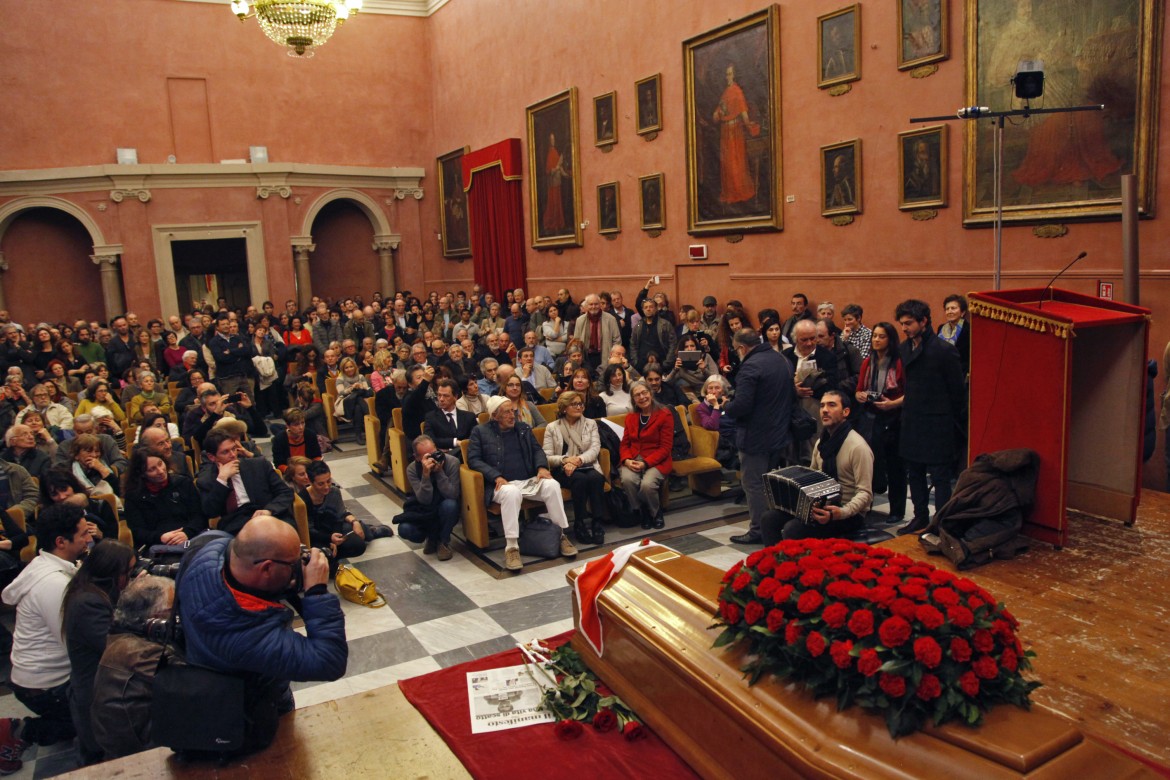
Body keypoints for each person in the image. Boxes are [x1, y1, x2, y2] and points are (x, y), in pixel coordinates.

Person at [177, 515, 348, 736]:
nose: (299, 566)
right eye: (293, 562)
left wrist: (282, 579)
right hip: (251, 712)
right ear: (266, 569)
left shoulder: (211, 547)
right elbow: (329, 661)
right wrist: (316, 592)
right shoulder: (242, 635)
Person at [0, 503, 93, 772]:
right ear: (61, 541)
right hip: (45, 685)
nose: (89, 539)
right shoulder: (53, 583)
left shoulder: (44, 563)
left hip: (35, 678)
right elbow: (75, 644)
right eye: (83, 535)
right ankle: (18, 731)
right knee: (103, 710)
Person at [467, 396, 577, 572]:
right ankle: (511, 547)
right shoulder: (480, 432)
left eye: (513, 411)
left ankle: (560, 535)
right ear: (495, 415)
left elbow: (536, 450)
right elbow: (473, 460)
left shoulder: (523, 428)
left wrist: (541, 468)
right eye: (507, 412)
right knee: (511, 493)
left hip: (527, 480)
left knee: (552, 485)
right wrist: (495, 476)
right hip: (500, 484)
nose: (513, 415)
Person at [895, 299, 966, 536]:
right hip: (913, 420)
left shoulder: (944, 350)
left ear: (924, 321)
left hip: (937, 422)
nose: (904, 328)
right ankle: (920, 516)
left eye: (909, 323)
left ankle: (942, 522)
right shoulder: (904, 349)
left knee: (940, 476)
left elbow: (957, 391)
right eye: (902, 324)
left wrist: (951, 420)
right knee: (914, 473)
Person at [62, 540, 136, 764]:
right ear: (112, 573)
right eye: (129, 573)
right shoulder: (87, 603)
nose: (130, 579)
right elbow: (114, 647)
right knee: (102, 760)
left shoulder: (90, 590)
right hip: (94, 697)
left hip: (94, 689)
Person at [90, 575, 176, 760]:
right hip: (142, 752)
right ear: (155, 619)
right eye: (172, 609)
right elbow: (191, 679)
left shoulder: (120, 637)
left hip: (124, 744)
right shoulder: (141, 654)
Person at [724, 328, 795, 546]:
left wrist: (726, 405)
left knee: (753, 483)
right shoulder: (781, 359)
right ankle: (772, 524)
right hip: (780, 433)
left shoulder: (750, 366)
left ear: (742, 348)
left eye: (737, 351)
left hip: (755, 437)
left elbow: (743, 406)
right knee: (771, 483)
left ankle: (758, 530)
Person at [774, 390, 872, 542]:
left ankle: (798, 564)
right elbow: (812, 477)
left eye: (832, 405)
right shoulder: (822, 442)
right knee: (770, 518)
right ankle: (775, 563)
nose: (825, 410)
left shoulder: (858, 447)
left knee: (793, 529)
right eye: (822, 406)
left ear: (846, 412)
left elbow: (865, 494)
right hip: (823, 505)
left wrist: (841, 512)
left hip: (848, 512)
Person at [855, 321, 907, 524]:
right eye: (874, 336)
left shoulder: (899, 363)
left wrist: (893, 404)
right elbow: (859, 388)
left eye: (881, 336)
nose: (876, 340)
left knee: (895, 465)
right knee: (870, 463)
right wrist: (860, 395)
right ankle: (866, 504)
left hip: (894, 417)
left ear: (890, 339)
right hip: (872, 417)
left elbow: (909, 392)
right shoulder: (868, 362)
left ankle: (897, 509)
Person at [196, 430, 295, 534]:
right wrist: (222, 480)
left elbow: (286, 492)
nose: (233, 455)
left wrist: (269, 510)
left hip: (269, 516)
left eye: (234, 449)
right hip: (237, 526)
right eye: (225, 452)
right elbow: (211, 512)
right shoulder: (207, 479)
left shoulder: (258, 465)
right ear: (212, 457)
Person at [543, 391, 607, 545]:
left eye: (581, 404)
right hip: (562, 469)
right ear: (564, 408)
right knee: (580, 480)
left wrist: (577, 460)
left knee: (596, 478)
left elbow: (594, 449)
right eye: (574, 404)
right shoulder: (552, 427)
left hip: (586, 465)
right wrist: (565, 460)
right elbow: (547, 456)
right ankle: (580, 523)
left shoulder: (590, 424)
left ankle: (597, 522)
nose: (579, 407)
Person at [121, 447, 207, 549]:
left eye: (160, 463)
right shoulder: (134, 496)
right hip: (157, 544)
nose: (160, 471)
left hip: (190, 538)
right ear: (142, 474)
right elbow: (137, 531)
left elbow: (199, 516)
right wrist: (160, 537)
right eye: (152, 469)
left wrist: (187, 533)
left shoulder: (183, 483)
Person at [618, 380, 673, 530]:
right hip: (634, 457)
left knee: (647, 485)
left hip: (657, 459)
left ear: (650, 393)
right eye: (637, 395)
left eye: (644, 393)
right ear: (633, 399)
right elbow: (625, 444)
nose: (642, 397)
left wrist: (646, 463)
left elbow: (665, 448)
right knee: (628, 480)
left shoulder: (664, 414)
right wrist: (627, 460)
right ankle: (642, 511)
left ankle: (655, 512)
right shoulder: (631, 417)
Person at [299, 461, 366, 573]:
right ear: (310, 482)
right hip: (315, 537)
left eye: (328, 481)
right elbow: (308, 531)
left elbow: (339, 517)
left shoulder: (334, 491)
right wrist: (329, 539)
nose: (326, 487)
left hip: (331, 530)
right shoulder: (302, 500)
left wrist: (335, 539)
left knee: (358, 544)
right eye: (321, 484)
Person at [403, 434, 461, 561]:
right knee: (404, 529)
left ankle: (442, 541)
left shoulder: (452, 462)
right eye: (428, 456)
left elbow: (452, 494)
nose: (434, 459)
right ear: (417, 458)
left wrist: (439, 472)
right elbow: (424, 500)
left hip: (445, 508)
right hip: (425, 511)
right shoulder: (412, 469)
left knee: (450, 505)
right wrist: (425, 475)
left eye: (435, 453)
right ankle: (432, 537)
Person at [712, 63, 756, 206]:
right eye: (726, 74)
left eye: (730, 74)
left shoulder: (737, 91)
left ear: (734, 75)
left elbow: (743, 111)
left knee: (736, 162)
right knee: (727, 165)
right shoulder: (725, 92)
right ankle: (730, 193)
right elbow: (717, 114)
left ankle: (739, 193)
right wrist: (717, 113)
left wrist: (749, 124)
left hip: (735, 131)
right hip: (725, 132)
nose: (727, 77)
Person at [424, 378, 477, 455]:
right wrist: (455, 442)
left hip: (465, 455)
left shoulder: (469, 417)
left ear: (455, 397)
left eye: (446, 396)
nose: (441, 399)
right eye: (439, 395)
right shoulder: (431, 417)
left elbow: (475, 440)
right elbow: (429, 440)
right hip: (443, 458)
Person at [271, 408, 323, 472]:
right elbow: (278, 464)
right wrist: (293, 472)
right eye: (296, 424)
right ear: (288, 426)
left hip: (309, 470)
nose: (301, 427)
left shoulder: (310, 435)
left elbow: (317, 456)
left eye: (302, 423)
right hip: (290, 473)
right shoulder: (279, 439)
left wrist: (315, 466)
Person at [541, 132, 569, 235]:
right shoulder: (549, 153)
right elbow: (548, 170)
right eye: (551, 139)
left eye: (554, 139)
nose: (553, 141)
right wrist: (555, 169)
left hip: (557, 182)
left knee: (558, 203)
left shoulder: (555, 151)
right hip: (552, 184)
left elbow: (560, 167)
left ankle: (558, 223)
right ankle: (552, 223)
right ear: (549, 141)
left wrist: (566, 174)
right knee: (553, 203)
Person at [937, 293, 970, 372]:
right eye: (947, 309)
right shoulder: (941, 328)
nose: (949, 311)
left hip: (960, 371)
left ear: (962, 312)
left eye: (953, 308)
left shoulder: (968, 329)